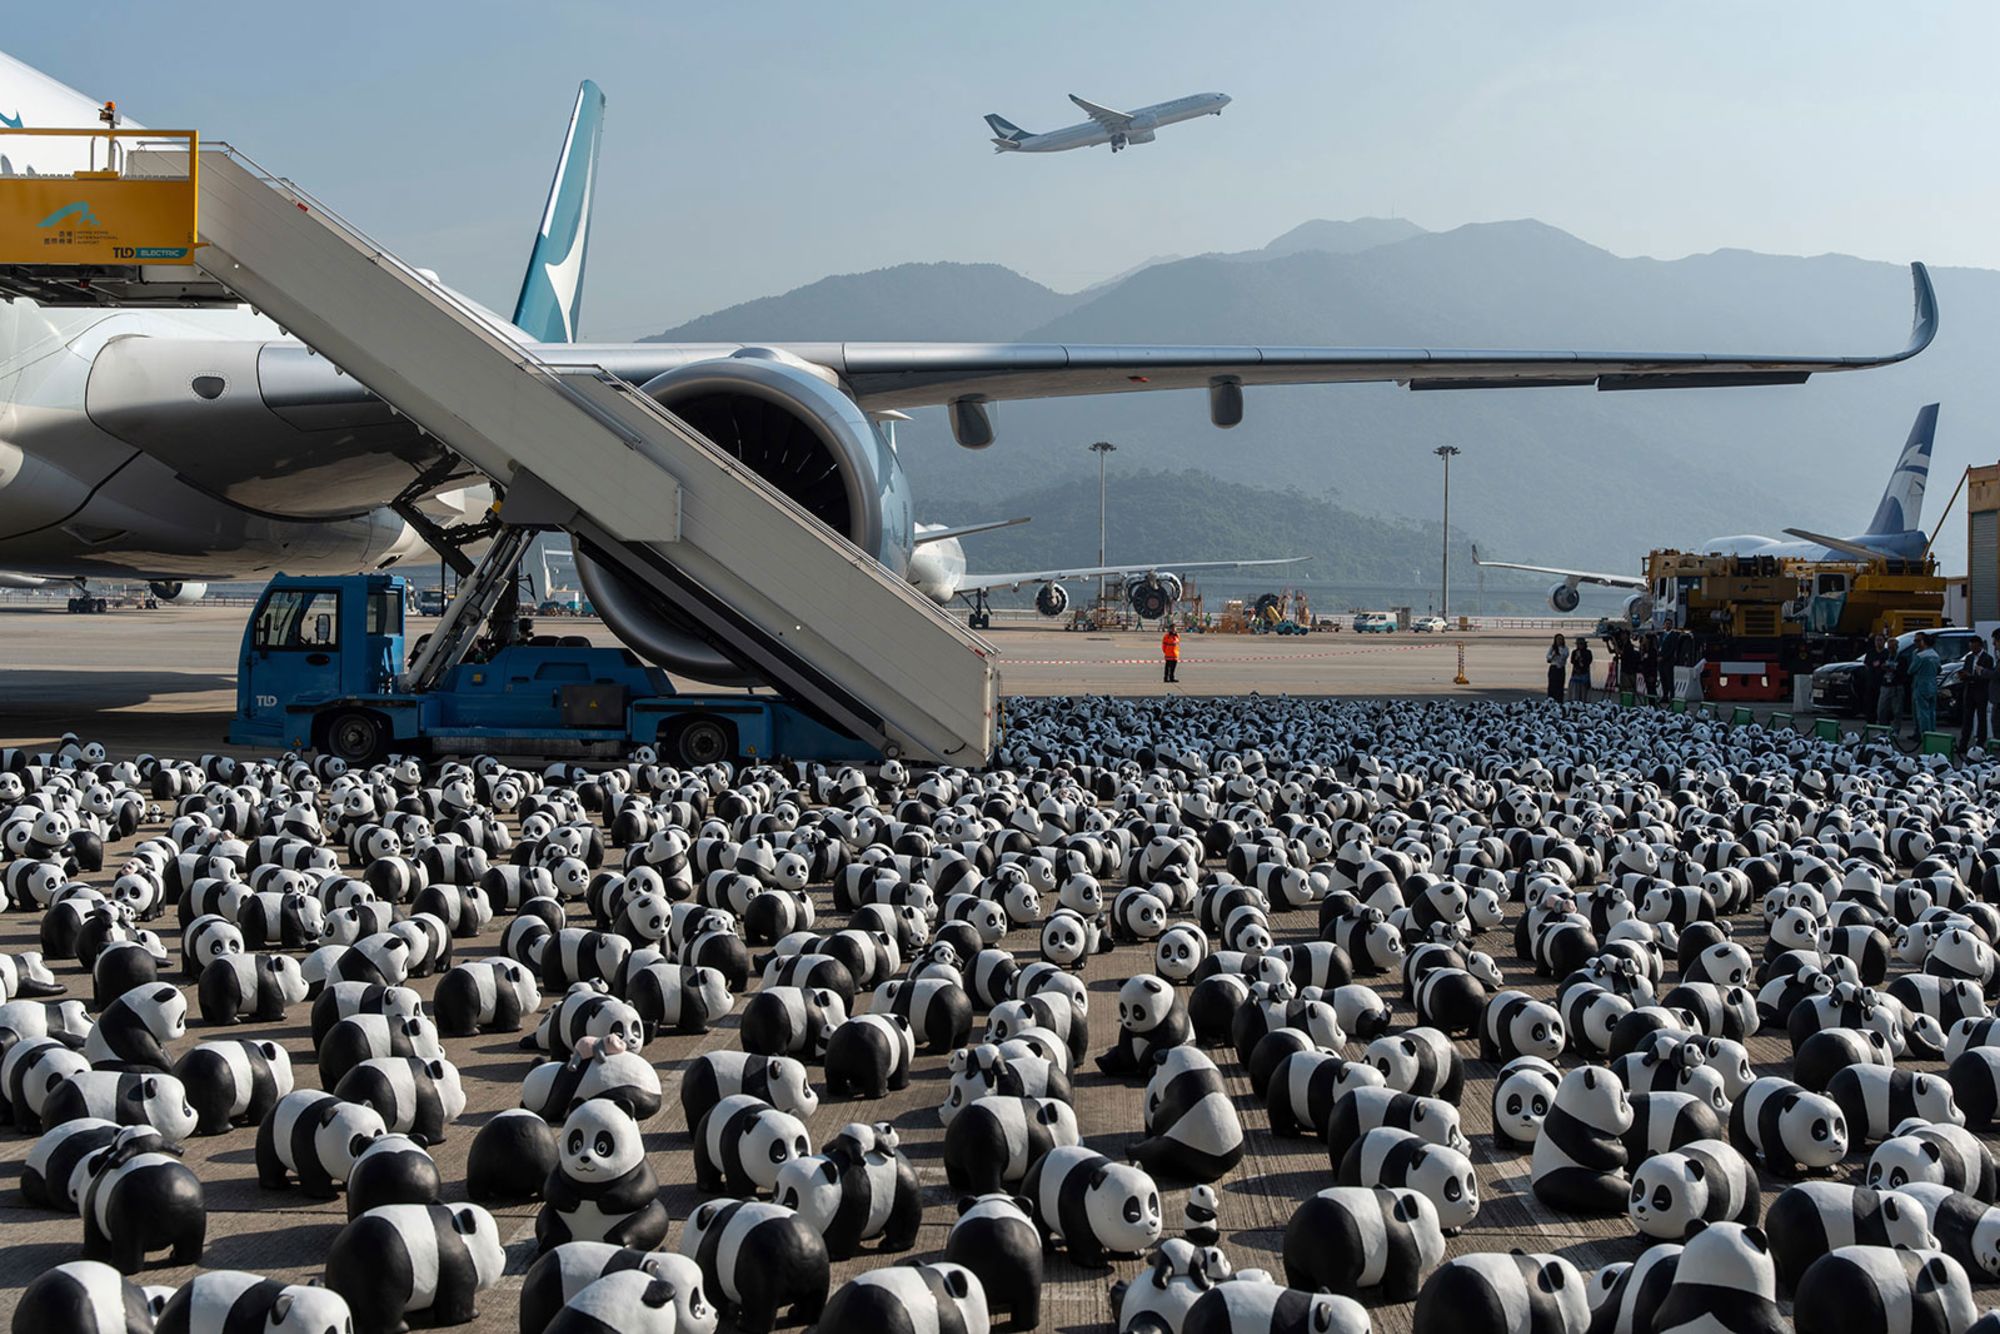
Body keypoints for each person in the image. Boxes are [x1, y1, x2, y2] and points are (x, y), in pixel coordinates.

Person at [1961, 635, 1994, 751]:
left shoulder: (1987, 658)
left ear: (1979, 646)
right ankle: (1963, 743)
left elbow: (1986, 676)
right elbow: (1966, 669)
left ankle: (1980, 743)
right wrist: (1964, 676)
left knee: (1981, 718)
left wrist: (1971, 676)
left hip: (1981, 691)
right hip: (1969, 690)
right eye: (1970, 647)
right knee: (1967, 718)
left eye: (1974, 647)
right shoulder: (1969, 657)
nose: (1972, 649)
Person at [1911, 633, 1942, 738]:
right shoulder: (1935, 654)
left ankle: (1925, 734)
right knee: (1932, 711)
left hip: (1921, 684)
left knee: (1922, 712)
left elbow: (1911, 670)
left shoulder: (1920, 656)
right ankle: (1933, 732)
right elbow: (1939, 669)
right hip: (1933, 684)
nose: (1916, 643)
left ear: (1924, 642)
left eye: (1918, 641)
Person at [1861, 634, 1892, 722]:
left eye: (1880, 640)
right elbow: (1867, 664)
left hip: (1883, 681)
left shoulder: (1886, 653)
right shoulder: (1871, 653)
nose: (1878, 642)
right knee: (1870, 702)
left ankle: (1883, 721)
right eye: (1877, 640)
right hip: (1871, 681)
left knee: (1883, 703)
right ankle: (1870, 720)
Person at [1878, 637, 1905, 727]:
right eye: (1889, 647)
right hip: (1885, 685)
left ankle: (1895, 730)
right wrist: (1882, 668)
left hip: (1897, 686)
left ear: (1897, 647)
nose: (1890, 649)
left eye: (1893, 647)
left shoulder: (1901, 658)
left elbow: (1904, 672)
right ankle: (1883, 730)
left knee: (1897, 711)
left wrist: (1893, 669)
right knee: (1881, 710)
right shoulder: (1884, 656)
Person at [1569, 637, 1594, 703]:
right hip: (1576, 674)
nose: (1580, 645)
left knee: (1584, 693)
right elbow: (1572, 661)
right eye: (1578, 644)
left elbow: (1588, 662)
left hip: (1584, 674)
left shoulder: (1588, 652)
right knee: (1575, 692)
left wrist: (1581, 660)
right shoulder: (1574, 652)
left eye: (1581, 644)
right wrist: (1576, 658)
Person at [1546, 634, 1567, 703]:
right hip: (1553, 668)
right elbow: (1548, 657)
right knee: (1552, 685)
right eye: (1558, 639)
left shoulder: (1565, 648)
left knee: (1560, 686)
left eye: (1561, 639)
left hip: (1560, 668)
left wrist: (1559, 653)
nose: (1559, 641)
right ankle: (1550, 700)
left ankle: (1559, 701)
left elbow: (1564, 657)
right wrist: (1553, 655)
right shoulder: (1552, 648)